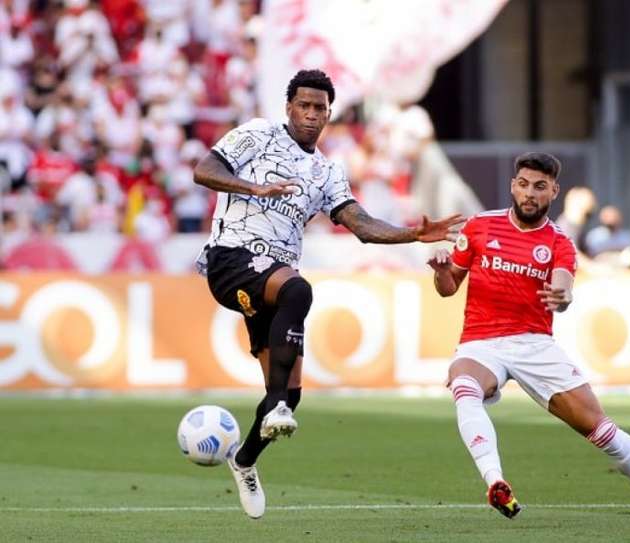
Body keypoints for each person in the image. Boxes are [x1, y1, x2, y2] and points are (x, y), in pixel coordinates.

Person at [192, 69, 463, 520]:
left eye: (320, 109)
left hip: (269, 280)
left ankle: (244, 461)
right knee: (298, 290)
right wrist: (253, 186)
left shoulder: (326, 171)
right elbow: (205, 170)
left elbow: (361, 225)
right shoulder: (257, 135)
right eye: (305, 106)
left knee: (291, 392)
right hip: (230, 259)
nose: (312, 115)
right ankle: (277, 405)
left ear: (329, 114)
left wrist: (413, 234)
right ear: (289, 107)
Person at [426, 152, 630, 526]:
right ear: (513, 186)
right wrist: (441, 272)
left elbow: (563, 288)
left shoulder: (559, 243)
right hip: (481, 342)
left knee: (600, 430)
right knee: (464, 385)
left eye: (539, 187)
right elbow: (448, 288)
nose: (529, 194)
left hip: (535, 344)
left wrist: (563, 296)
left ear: (554, 190)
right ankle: (496, 481)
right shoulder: (480, 227)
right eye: (523, 185)